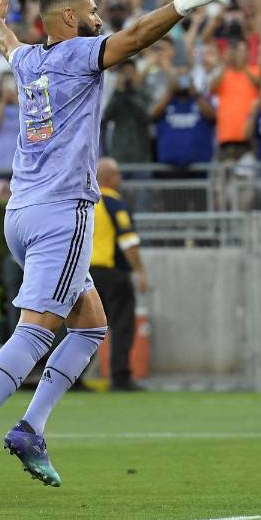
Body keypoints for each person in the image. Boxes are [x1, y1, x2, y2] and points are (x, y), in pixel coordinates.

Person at [0, 0, 230, 506]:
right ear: (69, 18)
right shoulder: (75, 56)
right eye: (92, 11)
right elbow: (137, 36)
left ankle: (30, 429)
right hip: (61, 210)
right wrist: (191, 1)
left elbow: (6, 42)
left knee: (91, 323)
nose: (99, 18)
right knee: (38, 329)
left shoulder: (27, 60)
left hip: (19, 213)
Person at [89, 158, 148, 392]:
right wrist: (140, 270)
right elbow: (128, 240)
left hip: (86, 275)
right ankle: (120, 376)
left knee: (81, 330)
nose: (120, 179)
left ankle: (68, 379)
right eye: (117, 174)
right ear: (108, 178)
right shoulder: (114, 202)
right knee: (122, 325)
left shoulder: (84, 201)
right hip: (112, 272)